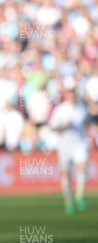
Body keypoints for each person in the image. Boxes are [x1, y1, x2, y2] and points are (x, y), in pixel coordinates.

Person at [49, 84, 90, 214]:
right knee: (66, 173)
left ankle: (79, 196)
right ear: (66, 94)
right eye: (69, 93)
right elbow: (53, 127)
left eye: (73, 92)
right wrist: (63, 126)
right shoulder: (60, 110)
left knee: (82, 166)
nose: (72, 95)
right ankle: (69, 201)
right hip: (65, 144)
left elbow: (84, 123)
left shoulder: (81, 108)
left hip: (79, 142)